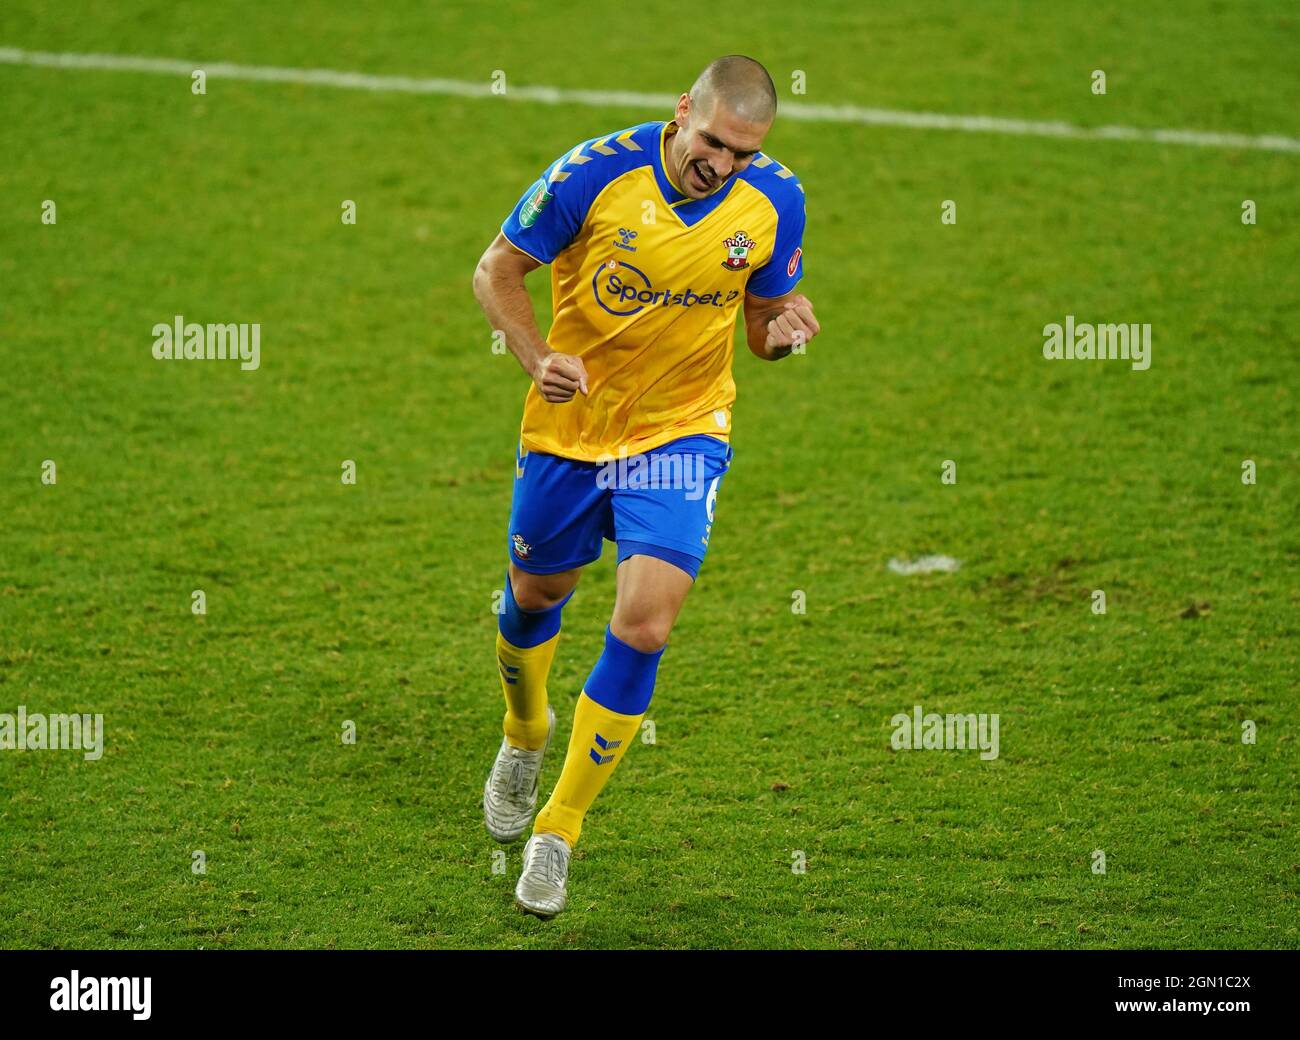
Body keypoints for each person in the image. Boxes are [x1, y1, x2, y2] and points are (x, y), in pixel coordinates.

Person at [472, 54, 820, 918]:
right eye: (712, 143)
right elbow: (497, 271)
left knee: (647, 622)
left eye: (743, 152)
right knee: (535, 593)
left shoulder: (775, 200)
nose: (723, 165)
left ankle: (558, 831)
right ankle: (524, 733)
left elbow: (762, 331)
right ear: (681, 114)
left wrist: (788, 332)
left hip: (682, 430)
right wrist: (537, 356)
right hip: (574, 424)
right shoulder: (594, 173)